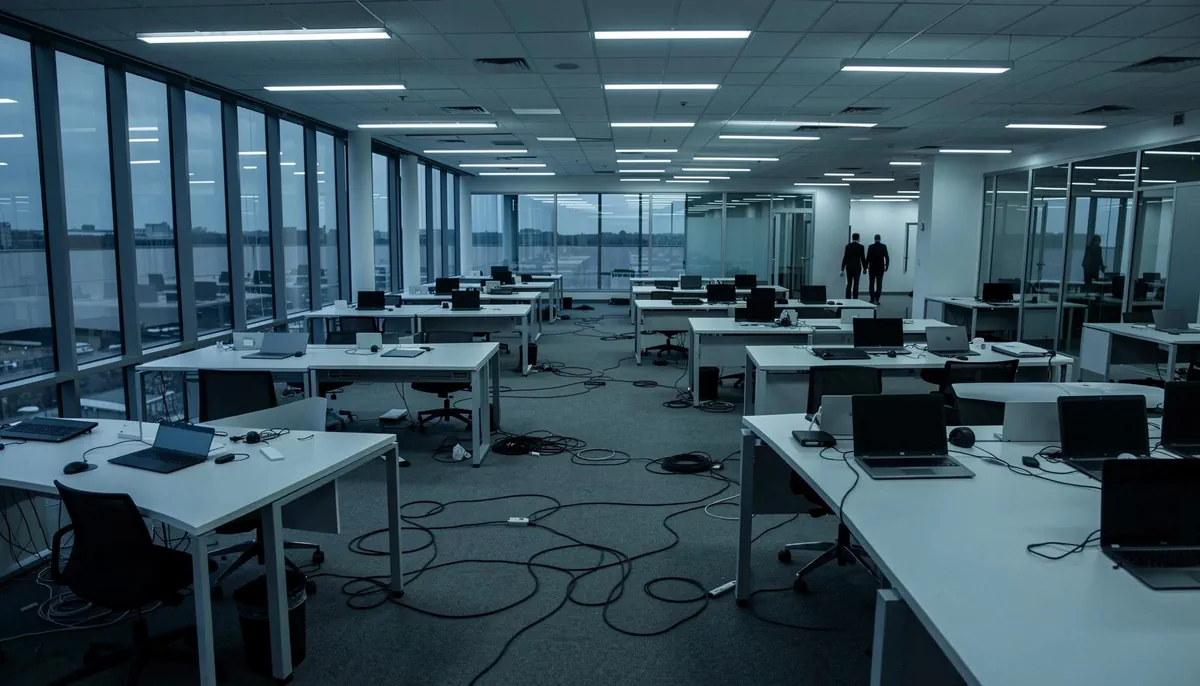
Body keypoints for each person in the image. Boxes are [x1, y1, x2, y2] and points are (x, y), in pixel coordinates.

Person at [840, 233, 866, 299]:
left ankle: (848, 298)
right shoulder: (861, 247)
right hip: (857, 267)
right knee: (856, 283)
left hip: (849, 267)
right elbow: (862, 258)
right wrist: (865, 268)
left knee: (849, 283)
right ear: (858, 238)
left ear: (852, 238)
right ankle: (855, 298)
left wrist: (842, 269)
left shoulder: (848, 246)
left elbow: (845, 258)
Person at [866, 234, 890, 305]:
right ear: (880, 239)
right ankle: (877, 299)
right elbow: (887, 257)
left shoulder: (871, 247)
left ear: (874, 239)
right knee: (879, 284)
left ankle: (872, 299)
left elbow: (868, 258)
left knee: (871, 283)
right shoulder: (883, 246)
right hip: (880, 268)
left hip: (872, 268)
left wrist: (865, 267)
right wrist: (887, 266)